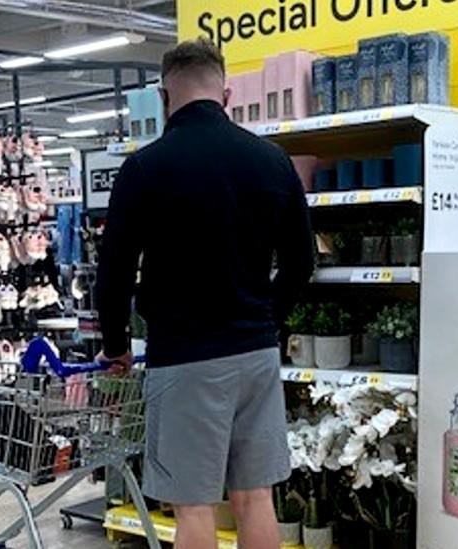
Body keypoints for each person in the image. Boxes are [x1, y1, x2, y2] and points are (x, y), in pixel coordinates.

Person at [95, 38, 315, 549]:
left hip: (185, 359)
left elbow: (115, 274)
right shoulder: (272, 161)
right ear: (227, 94)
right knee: (255, 497)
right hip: (256, 353)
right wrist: (267, 319)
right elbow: (302, 263)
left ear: (164, 96)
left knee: (193, 503)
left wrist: (116, 345)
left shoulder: (145, 168)